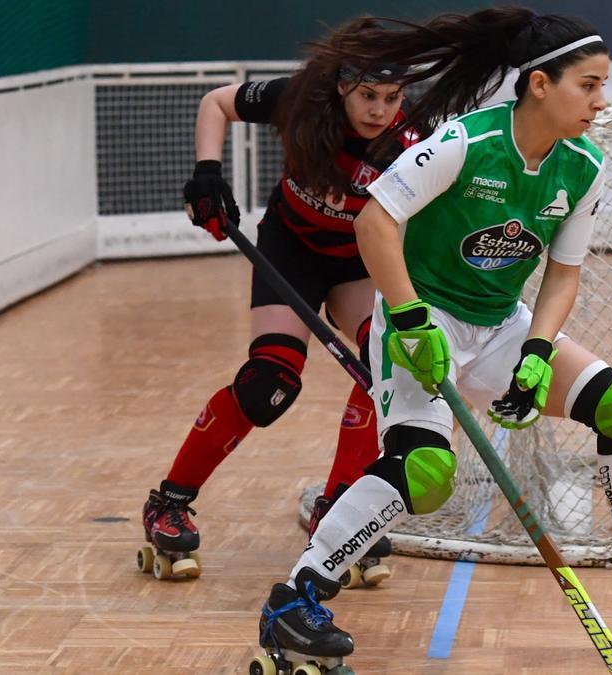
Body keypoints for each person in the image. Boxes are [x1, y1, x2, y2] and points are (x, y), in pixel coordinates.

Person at [252, 8, 612, 668]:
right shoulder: (465, 143)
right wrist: (412, 317)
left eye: (602, 85)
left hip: (502, 328)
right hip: (421, 322)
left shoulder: (583, 167)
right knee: (424, 471)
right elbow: (375, 223)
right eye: (586, 85)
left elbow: (562, 275)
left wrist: (537, 351)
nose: (600, 100)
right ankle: (295, 598)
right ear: (539, 84)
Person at [139, 17, 419, 583]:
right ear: (342, 86)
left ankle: (338, 513)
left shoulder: (417, 136)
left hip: (357, 261)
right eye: (367, 95)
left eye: (391, 97)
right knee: (269, 382)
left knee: (384, 374)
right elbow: (217, 103)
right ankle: (168, 502)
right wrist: (207, 177)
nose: (379, 110)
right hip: (290, 247)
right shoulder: (302, 100)